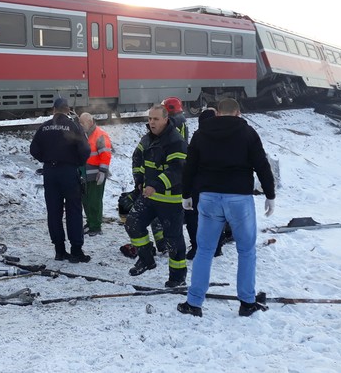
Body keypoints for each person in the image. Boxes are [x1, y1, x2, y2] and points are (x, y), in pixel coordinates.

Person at [177, 98, 275, 318]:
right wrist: (270, 194)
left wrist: (186, 195)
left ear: (217, 113)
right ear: (238, 113)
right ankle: (247, 302)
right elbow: (261, 164)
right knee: (246, 250)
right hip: (239, 199)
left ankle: (194, 303)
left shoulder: (201, 134)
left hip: (209, 198)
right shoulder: (248, 133)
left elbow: (189, 167)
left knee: (204, 250)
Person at [127, 105, 188, 288]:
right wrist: (139, 178)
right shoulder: (147, 139)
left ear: (165, 119)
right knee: (133, 223)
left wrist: (156, 184)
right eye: (150, 119)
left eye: (155, 119)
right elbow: (137, 158)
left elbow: (178, 169)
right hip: (149, 196)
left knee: (173, 240)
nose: (151, 122)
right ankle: (146, 259)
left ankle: (177, 277)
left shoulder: (176, 141)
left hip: (170, 199)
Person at [30, 98, 92, 263]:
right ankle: (76, 251)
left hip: (50, 173)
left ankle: (59, 251)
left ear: (53, 110)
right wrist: (77, 163)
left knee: (54, 212)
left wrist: (46, 159)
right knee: (73, 210)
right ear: (68, 110)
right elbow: (85, 149)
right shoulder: (73, 126)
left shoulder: (44, 127)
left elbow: (33, 149)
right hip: (68, 172)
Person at [183, 106, 230, 260]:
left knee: (193, 216)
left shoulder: (198, 137)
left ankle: (197, 247)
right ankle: (217, 246)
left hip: (200, 185)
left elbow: (190, 165)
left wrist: (186, 190)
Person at [78, 113, 112, 236]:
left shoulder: (100, 135)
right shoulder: (83, 134)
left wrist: (102, 172)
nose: (81, 125)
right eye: (79, 123)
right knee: (86, 200)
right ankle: (91, 222)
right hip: (85, 174)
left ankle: (96, 226)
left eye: (83, 123)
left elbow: (106, 155)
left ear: (90, 122)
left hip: (96, 174)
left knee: (95, 201)